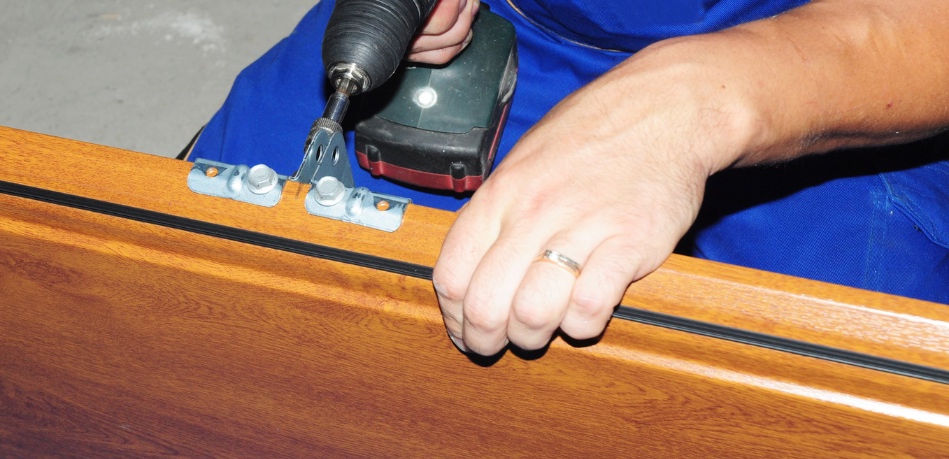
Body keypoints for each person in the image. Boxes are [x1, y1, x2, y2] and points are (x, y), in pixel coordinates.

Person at [190, 0, 949, 356]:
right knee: (190, 276)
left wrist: (692, 104)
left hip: (829, 56)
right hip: (521, 23)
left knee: (847, 394)